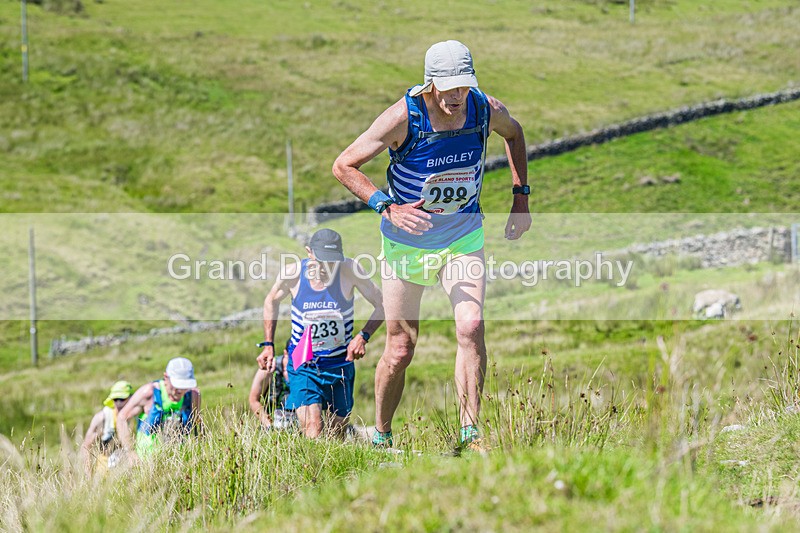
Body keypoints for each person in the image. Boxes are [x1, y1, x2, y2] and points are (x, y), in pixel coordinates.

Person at [332, 40, 531, 451]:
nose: (457, 95)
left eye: (464, 85)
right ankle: (382, 435)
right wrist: (387, 207)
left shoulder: (484, 109)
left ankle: (470, 435)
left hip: (462, 234)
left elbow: (515, 134)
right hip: (407, 244)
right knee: (401, 348)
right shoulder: (403, 117)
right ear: (430, 83)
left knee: (471, 326)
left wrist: (520, 197)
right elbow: (344, 165)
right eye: (449, 87)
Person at [256, 228, 384, 438]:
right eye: (321, 261)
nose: (326, 267)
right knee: (313, 428)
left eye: (332, 261)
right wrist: (268, 344)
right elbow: (271, 300)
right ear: (309, 253)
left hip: (340, 364)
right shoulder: (293, 274)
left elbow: (382, 305)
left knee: (337, 433)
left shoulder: (350, 270)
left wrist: (363, 336)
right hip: (305, 364)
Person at [116, 357, 202, 459]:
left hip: (180, 460)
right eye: (176, 385)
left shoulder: (193, 395)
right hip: (147, 462)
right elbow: (122, 417)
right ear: (166, 377)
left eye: (184, 386)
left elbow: (196, 422)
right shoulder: (149, 392)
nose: (180, 391)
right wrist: (130, 452)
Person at [81, 380, 133, 474]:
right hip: (105, 469)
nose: (118, 403)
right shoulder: (102, 418)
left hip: (130, 467)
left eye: (122, 399)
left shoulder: (137, 416)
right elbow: (86, 446)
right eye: (115, 399)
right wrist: (88, 475)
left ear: (131, 398)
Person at [249, 342, 295, 430]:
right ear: (285, 353)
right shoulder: (269, 367)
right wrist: (269, 425)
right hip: (272, 423)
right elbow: (253, 400)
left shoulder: (306, 370)